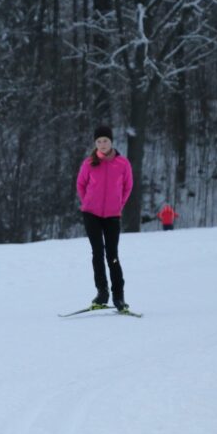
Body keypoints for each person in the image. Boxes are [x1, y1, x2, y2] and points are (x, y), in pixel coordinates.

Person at [76, 125, 134, 311]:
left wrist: (119, 204)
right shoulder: (89, 163)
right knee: (97, 253)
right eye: (99, 141)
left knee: (113, 255)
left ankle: (119, 296)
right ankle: (102, 292)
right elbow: (81, 184)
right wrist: (88, 202)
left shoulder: (122, 164)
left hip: (112, 215)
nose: (102, 144)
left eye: (105, 141)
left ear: (111, 142)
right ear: (95, 143)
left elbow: (128, 187)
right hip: (91, 214)